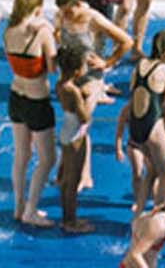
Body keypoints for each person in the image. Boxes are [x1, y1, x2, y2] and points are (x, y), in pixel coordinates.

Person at [2, 0, 57, 225]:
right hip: (37, 100)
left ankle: (18, 205)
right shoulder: (42, 33)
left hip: (16, 96)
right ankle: (31, 211)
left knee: (21, 155)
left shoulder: (7, 32)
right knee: (47, 159)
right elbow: (53, 67)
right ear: (36, 11)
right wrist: (50, 30)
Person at [115, 28, 165, 216]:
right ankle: (159, 214)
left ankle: (139, 213)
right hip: (154, 125)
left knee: (149, 173)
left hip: (136, 126)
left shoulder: (140, 65)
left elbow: (133, 92)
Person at [53, 43, 101, 235]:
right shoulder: (72, 91)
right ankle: (70, 221)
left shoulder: (60, 84)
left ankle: (67, 217)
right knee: (72, 181)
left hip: (66, 130)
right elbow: (84, 117)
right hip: (76, 136)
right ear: (76, 70)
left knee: (66, 179)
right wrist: (90, 99)